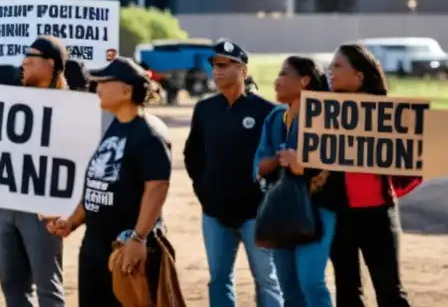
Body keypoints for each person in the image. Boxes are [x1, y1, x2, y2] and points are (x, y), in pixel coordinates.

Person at [44, 56, 172, 307]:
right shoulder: (114, 127)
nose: (97, 87)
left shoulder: (149, 135)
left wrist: (138, 239)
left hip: (126, 248)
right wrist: (71, 222)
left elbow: (157, 188)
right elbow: (97, 186)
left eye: (104, 82)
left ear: (126, 90)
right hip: (95, 246)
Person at [184, 39, 282, 307]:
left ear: (243, 71)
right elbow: (192, 156)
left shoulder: (267, 112)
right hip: (215, 214)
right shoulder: (205, 109)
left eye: (226, 65)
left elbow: (279, 162)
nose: (218, 71)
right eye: (215, 65)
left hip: (257, 215)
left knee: (267, 280)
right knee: (218, 278)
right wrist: (204, 191)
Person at [327, 43, 419, 307]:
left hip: (378, 215)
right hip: (339, 215)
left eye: (337, 65)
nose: (330, 71)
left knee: (390, 292)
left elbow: (411, 170)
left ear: (359, 76)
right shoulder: (322, 114)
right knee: (347, 293)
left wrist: (388, 189)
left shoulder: (387, 115)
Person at [253, 56, 341, 307]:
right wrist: (266, 165)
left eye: (283, 74)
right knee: (288, 286)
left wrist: (303, 165)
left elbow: (334, 162)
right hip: (280, 209)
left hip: (318, 208)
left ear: (304, 81)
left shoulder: (326, 117)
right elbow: (258, 162)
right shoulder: (274, 118)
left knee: (311, 281)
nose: (276, 81)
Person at [0, 37, 70, 306]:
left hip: (42, 208)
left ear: (50, 64)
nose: (23, 63)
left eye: (30, 58)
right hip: (6, 205)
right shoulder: (9, 100)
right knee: (12, 286)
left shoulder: (68, 106)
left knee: (48, 287)